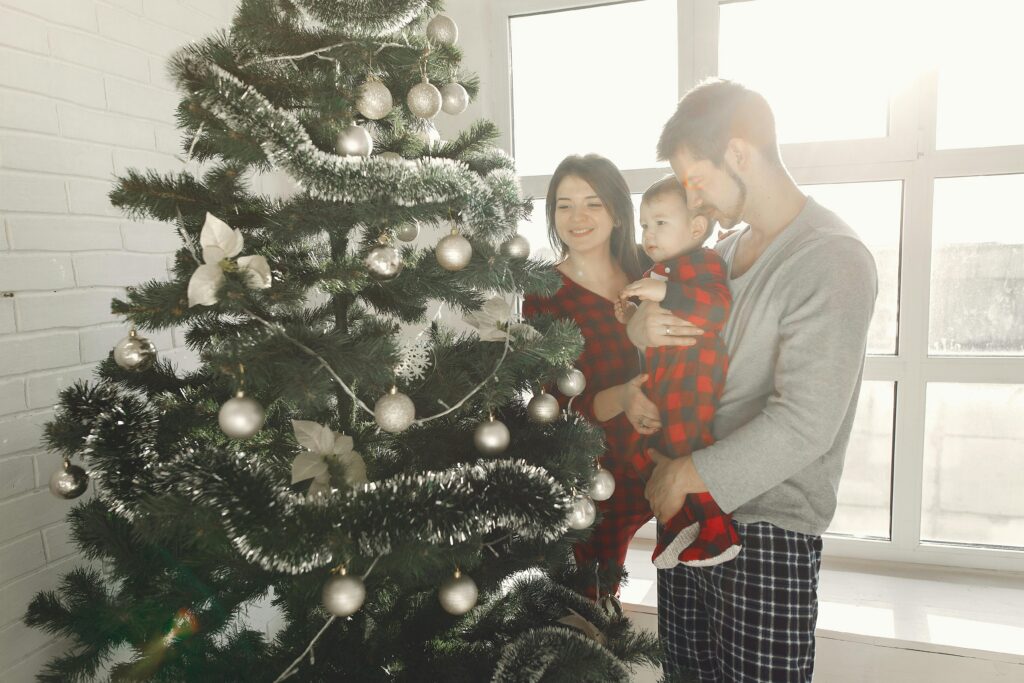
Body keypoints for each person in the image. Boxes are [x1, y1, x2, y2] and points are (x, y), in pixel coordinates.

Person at [629, 80, 878, 682]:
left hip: (766, 532)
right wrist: (641, 333)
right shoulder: (721, 254)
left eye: (697, 180)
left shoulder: (831, 258)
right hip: (689, 513)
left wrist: (682, 473)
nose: (695, 200)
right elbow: (679, 347)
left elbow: (805, 424)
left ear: (739, 154)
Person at [522, 153, 659, 600]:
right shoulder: (545, 292)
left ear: (618, 212)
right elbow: (553, 406)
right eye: (564, 205)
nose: (577, 217)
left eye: (592, 203)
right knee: (593, 601)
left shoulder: (651, 271)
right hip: (599, 473)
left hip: (670, 450)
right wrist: (621, 397)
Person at [615, 176, 739, 570]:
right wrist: (632, 316)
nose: (649, 234)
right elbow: (655, 327)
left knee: (687, 443)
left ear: (697, 228)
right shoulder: (659, 270)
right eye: (644, 225)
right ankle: (680, 524)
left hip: (694, 371)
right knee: (648, 446)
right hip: (665, 375)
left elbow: (714, 309)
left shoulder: (704, 262)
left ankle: (717, 533)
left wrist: (662, 292)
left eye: (660, 223)